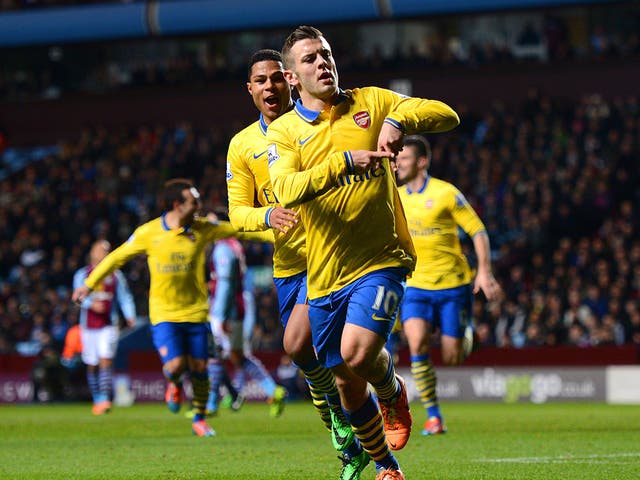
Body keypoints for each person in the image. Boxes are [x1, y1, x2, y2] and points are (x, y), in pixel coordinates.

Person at [267, 26, 459, 480]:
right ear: (293, 77)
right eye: (311, 59)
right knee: (345, 383)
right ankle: (387, 468)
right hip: (325, 271)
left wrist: (399, 120)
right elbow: (286, 188)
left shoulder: (371, 101)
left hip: (382, 259)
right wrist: (344, 164)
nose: (323, 63)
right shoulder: (284, 133)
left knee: (356, 354)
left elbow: (447, 115)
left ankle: (392, 390)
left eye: (326, 54)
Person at [226, 48, 368, 478]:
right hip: (288, 266)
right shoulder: (243, 145)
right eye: (260, 81)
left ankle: (367, 414)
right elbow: (236, 213)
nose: (269, 87)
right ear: (250, 89)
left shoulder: (319, 124)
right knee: (312, 356)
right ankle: (352, 436)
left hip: (332, 255)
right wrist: (267, 216)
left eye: (275, 78)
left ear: (290, 80)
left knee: (298, 346)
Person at [72, 179, 271, 437]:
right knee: (176, 366)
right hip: (165, 315)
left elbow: (240, 230)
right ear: (177, 205)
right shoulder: (149, 232)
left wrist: (275, 230)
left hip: (197, 313)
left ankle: (199, 418)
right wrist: (88, 285)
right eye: (193, 201)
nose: (199, 205)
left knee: (200, 368)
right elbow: (116, 257)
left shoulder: (203, 228)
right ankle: (174, 384)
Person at [395, 135, 502, 435]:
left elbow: (477, 231)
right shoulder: (396, 197)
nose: (398, 163)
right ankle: (433, 416)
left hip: (454, 285)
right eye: (397, 158)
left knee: (453, 356)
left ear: (421, 162)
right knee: (416, 343)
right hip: (416, 286)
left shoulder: (446, 193)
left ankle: (469, 335)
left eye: (404, 159)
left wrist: (484, 271)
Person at [207, 220, 286, 417]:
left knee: (214, 355)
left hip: (227, 311)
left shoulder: (223, 248)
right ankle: (270, 390)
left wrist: (221, 314)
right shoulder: (235, 245)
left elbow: (225, 285)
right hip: (238, 308)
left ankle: (211, 403)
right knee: (237, 357)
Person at [72, 240, 136, 415]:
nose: (103, 253)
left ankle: (105, 399)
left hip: (109, 324)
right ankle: (97, 398)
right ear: (92, 252)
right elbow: (76, 296)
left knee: (105, 360)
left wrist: (130, 315)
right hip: (89, 326)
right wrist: (90, 304)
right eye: (100, 250)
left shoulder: (115, 275)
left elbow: (124, 297)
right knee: (92, 364)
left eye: (107, 251)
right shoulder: (82, 274)